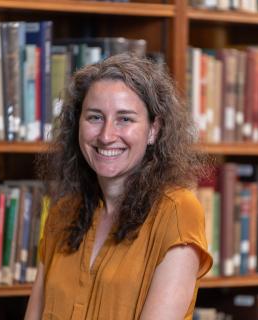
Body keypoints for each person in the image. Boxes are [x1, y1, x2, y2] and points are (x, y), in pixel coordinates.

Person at [25, 53, 212, 320]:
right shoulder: (62, 212)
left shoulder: (177, 212)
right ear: (77, 124)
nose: (106, 136)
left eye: (125, 119)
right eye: (95, 117)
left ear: (153, 130)